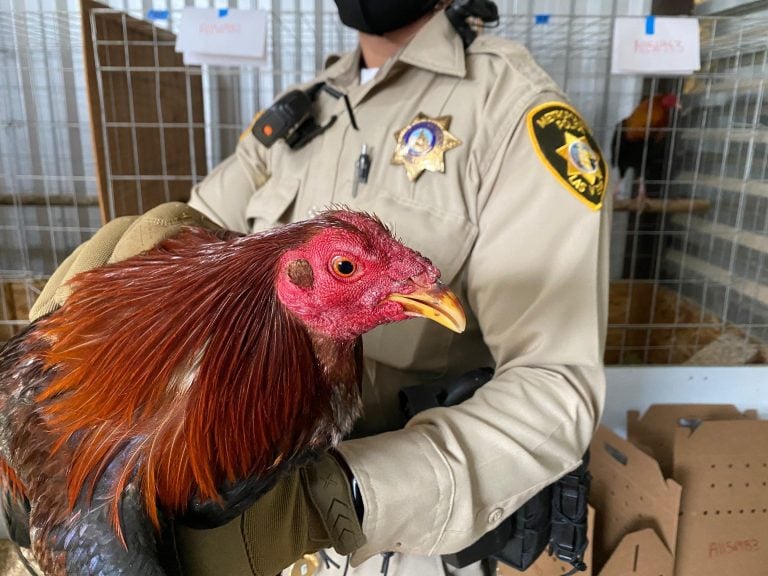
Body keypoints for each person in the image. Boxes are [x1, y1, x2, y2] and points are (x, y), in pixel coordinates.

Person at [29, 1, 610, 575]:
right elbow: (198, 231)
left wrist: (337, 498)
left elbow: (556, 387)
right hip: (235, 501)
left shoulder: (512, 113)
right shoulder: (303, 110)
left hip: (402, 545)